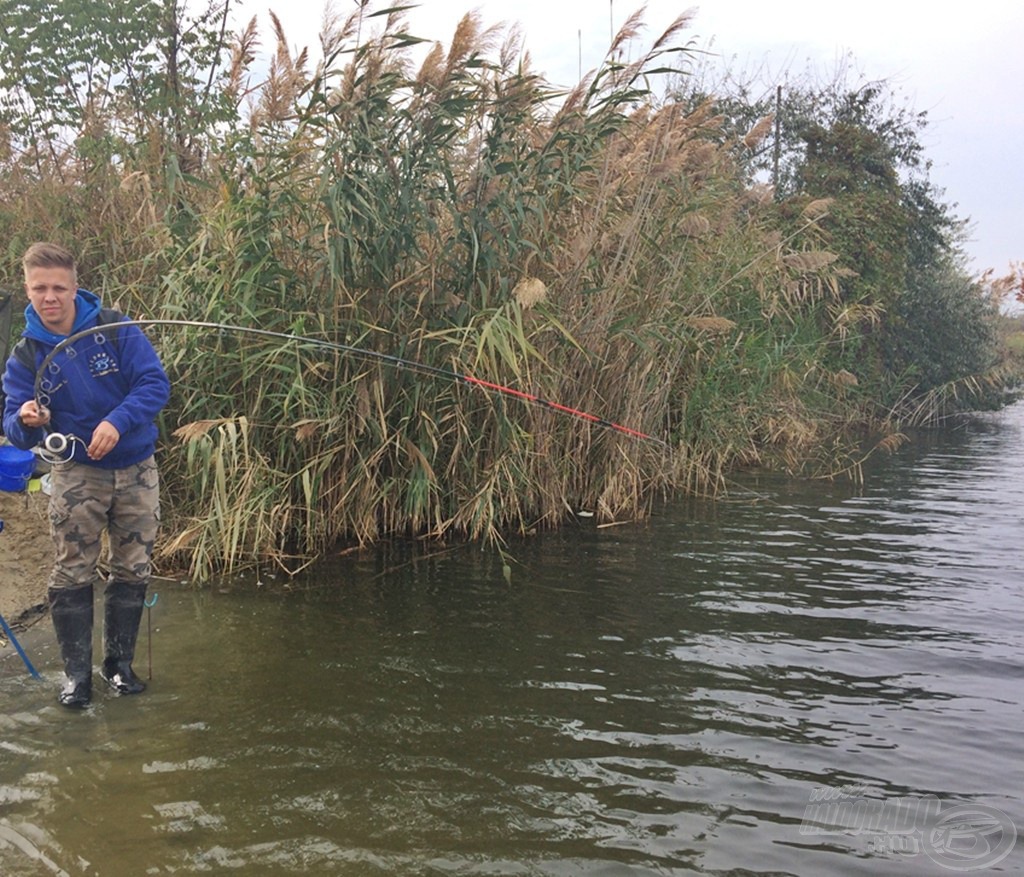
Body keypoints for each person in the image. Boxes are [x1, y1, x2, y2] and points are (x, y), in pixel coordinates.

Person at [1, 242, 170, 709]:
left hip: (135, 466)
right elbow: (11, 424)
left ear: (75, 287)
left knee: (132, 567)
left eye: (58, 287)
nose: (49, 296)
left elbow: (154, 384)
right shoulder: (25, 354)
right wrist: (26, 418)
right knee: (71, 569)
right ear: (28, 289)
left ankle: (119, 666)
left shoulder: (115, 328)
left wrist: (117, 421)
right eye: (39, 288)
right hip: (76, 473)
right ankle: (77, 677)